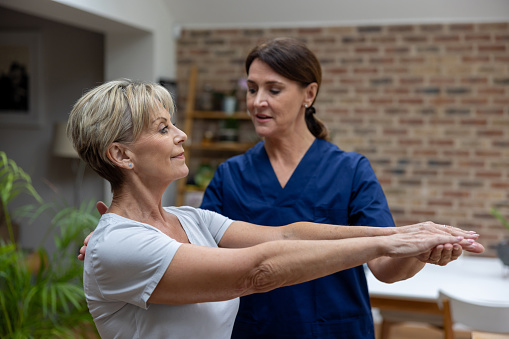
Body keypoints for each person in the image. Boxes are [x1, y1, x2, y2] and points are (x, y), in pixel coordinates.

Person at [70, 78, 483, 338]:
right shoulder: (118, 245)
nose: (181, 135)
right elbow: (257, 270)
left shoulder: (189, 219)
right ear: (121, 155)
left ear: (309, 95)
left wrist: (399, 235)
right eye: (163, 128)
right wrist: (384, 245)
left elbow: (287, 233)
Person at [198, 37, 473, 338]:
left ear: (309, 94)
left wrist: (419, 252)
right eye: (252, 89)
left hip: (335, 330)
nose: (257, 101)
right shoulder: (230, 176)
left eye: (273, 90)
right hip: (253, 330)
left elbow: (385, 267)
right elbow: (203, 264)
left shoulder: (350, 170)